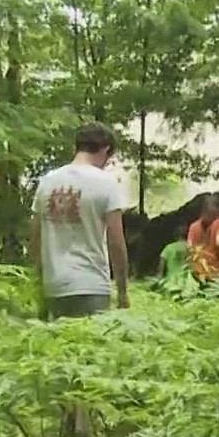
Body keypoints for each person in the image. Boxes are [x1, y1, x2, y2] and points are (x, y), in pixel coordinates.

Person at [32, 122, 131, 319]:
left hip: (54, 287)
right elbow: (116, 243)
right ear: (105, 149)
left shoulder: (47, 182)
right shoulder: (107, 184)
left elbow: (35, 239)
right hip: (91, 285)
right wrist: (122, 291)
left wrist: (40, 284)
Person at [187, 194, 219, 294]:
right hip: (217, 273)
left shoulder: (194, 226)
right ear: (218, 210)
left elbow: (189, 247)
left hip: (198, 273)